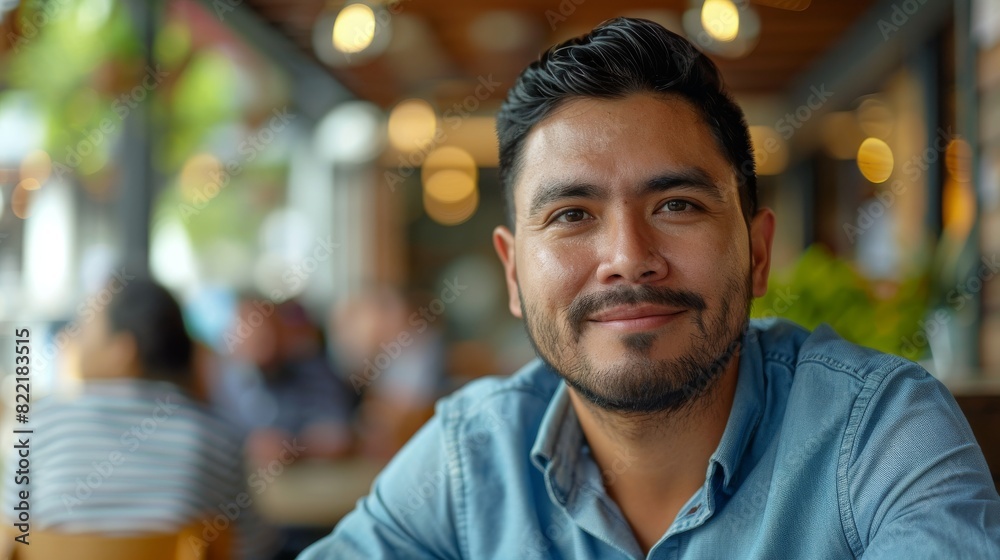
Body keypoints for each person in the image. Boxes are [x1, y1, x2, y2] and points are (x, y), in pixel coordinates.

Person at [300, 18, 1000, 559]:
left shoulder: (877, 434)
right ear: (513, 273)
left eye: (677, 206)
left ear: (757, 253)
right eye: (572, 215)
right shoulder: (468, 458)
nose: (628, 258)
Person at [2, 277, 274, 559]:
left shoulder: (37, 426)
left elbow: (10, 541)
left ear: (123, 351)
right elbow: (253, 550)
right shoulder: (215, 437)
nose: (69, 338)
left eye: (84, 327)